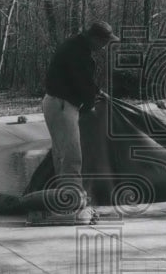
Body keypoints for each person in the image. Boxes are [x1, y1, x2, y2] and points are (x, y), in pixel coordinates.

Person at [41, 21, 120, 209]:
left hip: (59, 102)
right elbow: (81, 82)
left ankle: (66, 196)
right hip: (61, 104)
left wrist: (98, 92)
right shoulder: (77, 51)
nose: (104, 46)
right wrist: (91, 105)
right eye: (104, 42)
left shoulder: (77, 46)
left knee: (62, 152)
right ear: (95, 38)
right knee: (71, 154)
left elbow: (82, 79)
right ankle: (73, 198)